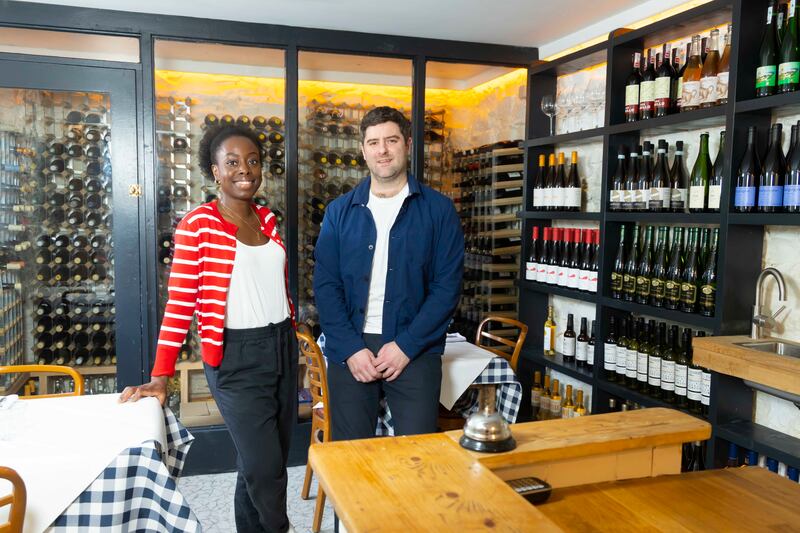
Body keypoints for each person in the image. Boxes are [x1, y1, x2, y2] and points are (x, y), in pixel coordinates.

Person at [120, 124, 297, 533]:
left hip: (282, 347)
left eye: (252, 161)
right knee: (265, 467)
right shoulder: (198, 225)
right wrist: (160, 377)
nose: (245, 170)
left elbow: (272, 284)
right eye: (232, 162)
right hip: (235, 356)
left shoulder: (268, 219)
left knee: (264, 460)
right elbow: (180, 304)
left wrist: (292, 328)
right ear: (215, 171)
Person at [313, 106, 464, 440]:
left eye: (391, 140)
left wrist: (406, 346)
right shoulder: (339, 212)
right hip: (351, 344)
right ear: (364, 150)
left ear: (407, 144)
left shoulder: (439, 211)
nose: (382, 150)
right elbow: (325, 285)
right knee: (352, 458)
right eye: (373, 142)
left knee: (418, 456)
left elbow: (447, 288)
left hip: (415, 346)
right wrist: (351, 348)